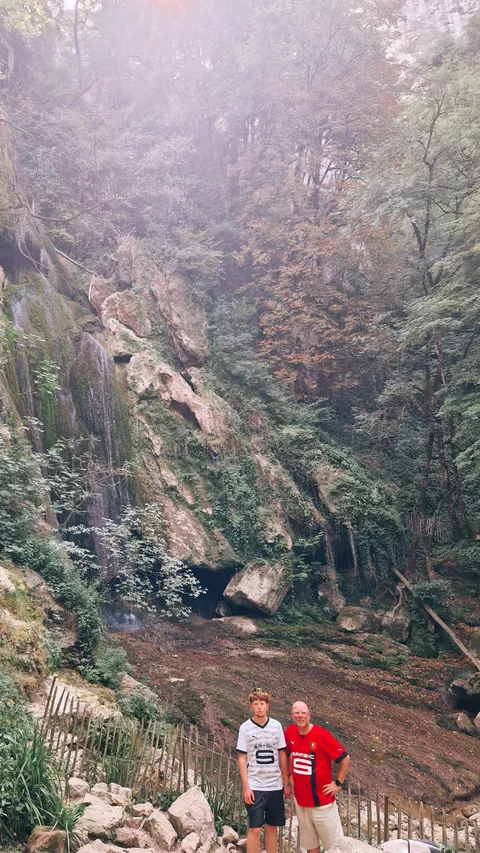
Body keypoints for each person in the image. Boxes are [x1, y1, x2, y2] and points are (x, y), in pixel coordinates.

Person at [285, 701, 350, 853]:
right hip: (301, 802)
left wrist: (338, 783)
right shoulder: (289, 732)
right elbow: (287, 753)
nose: (300, 716)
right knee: (311, 846)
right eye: (297, 713)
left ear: (309, 715)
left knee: (336, 848)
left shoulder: (321, 735)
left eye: (303, 713)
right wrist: (289, 775)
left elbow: (344, 758)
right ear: (292, 715)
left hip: (322, 803)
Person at [237, 688, 291, 853]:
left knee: (272, 827)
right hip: (255, 785)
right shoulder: (245, 728)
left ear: (267, 706)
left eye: (262, 704)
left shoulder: (276, 726)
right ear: (250, 706)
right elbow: (241, 757)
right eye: (256, 704)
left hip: (274, 785)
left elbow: (282, 754)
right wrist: (246, 786)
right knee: (255, 828)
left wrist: (286, 782)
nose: (259, 707)